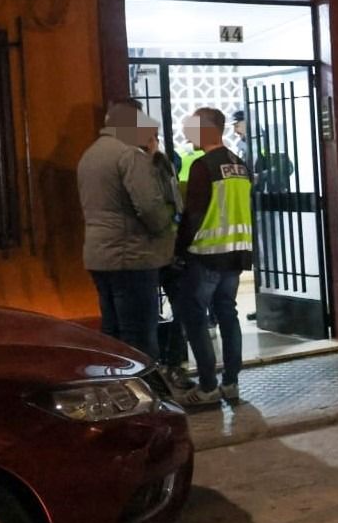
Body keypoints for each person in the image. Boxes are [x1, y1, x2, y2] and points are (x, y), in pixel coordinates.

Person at [76, 99, 172, 360]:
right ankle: (147, 394)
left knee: (112, 331)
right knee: (139, 337)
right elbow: (150, 207)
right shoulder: (129, 155)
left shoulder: (90, 154)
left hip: (99, 255)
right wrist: (166, 226)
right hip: (131, 256)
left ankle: (116, 394)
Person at [175, 107, 254, 406]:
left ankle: (207, 387)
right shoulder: (239, 163)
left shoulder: (203, 166)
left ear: (207, 130)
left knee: (195, 319)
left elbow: (193, 214)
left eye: (192, 128)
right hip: (235, 255)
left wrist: (178, 251)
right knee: (228, 316)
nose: (187, 134)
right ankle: (231, 384)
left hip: (206, 255)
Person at [143, 126, 194, 391]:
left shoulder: (165, 165)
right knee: (147, 314)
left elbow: (176, 205)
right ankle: (152, 372)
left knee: (181, 310)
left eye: (152, 137)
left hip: (169, 250)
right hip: (145, 253)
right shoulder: (131, 167)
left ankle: (176, 366)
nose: (150, 143)